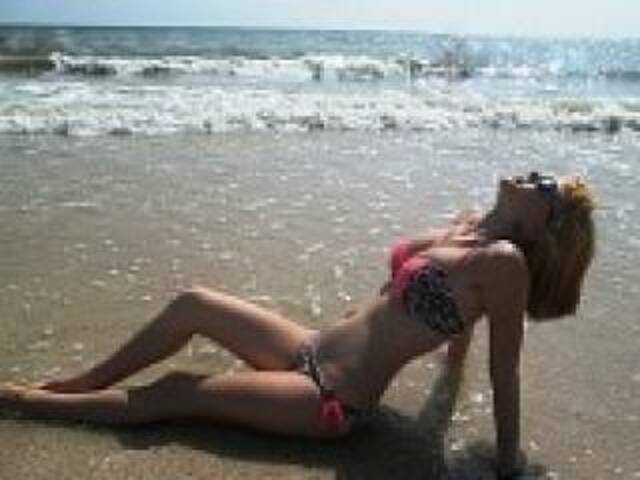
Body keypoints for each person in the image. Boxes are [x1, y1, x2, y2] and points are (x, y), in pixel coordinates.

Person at [0, 172, 596, 478]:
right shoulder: (470, 231)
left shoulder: (506, 264)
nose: (531, 176)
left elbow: (505, 370)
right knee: (193, 302)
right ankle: (83, 383)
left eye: (545, 186)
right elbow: (456, 326)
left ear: (542, 225)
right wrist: (448, 384)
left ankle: (30, 402)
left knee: (177, 391)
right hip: (308, 348)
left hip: (329, 396)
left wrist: (508, 465)